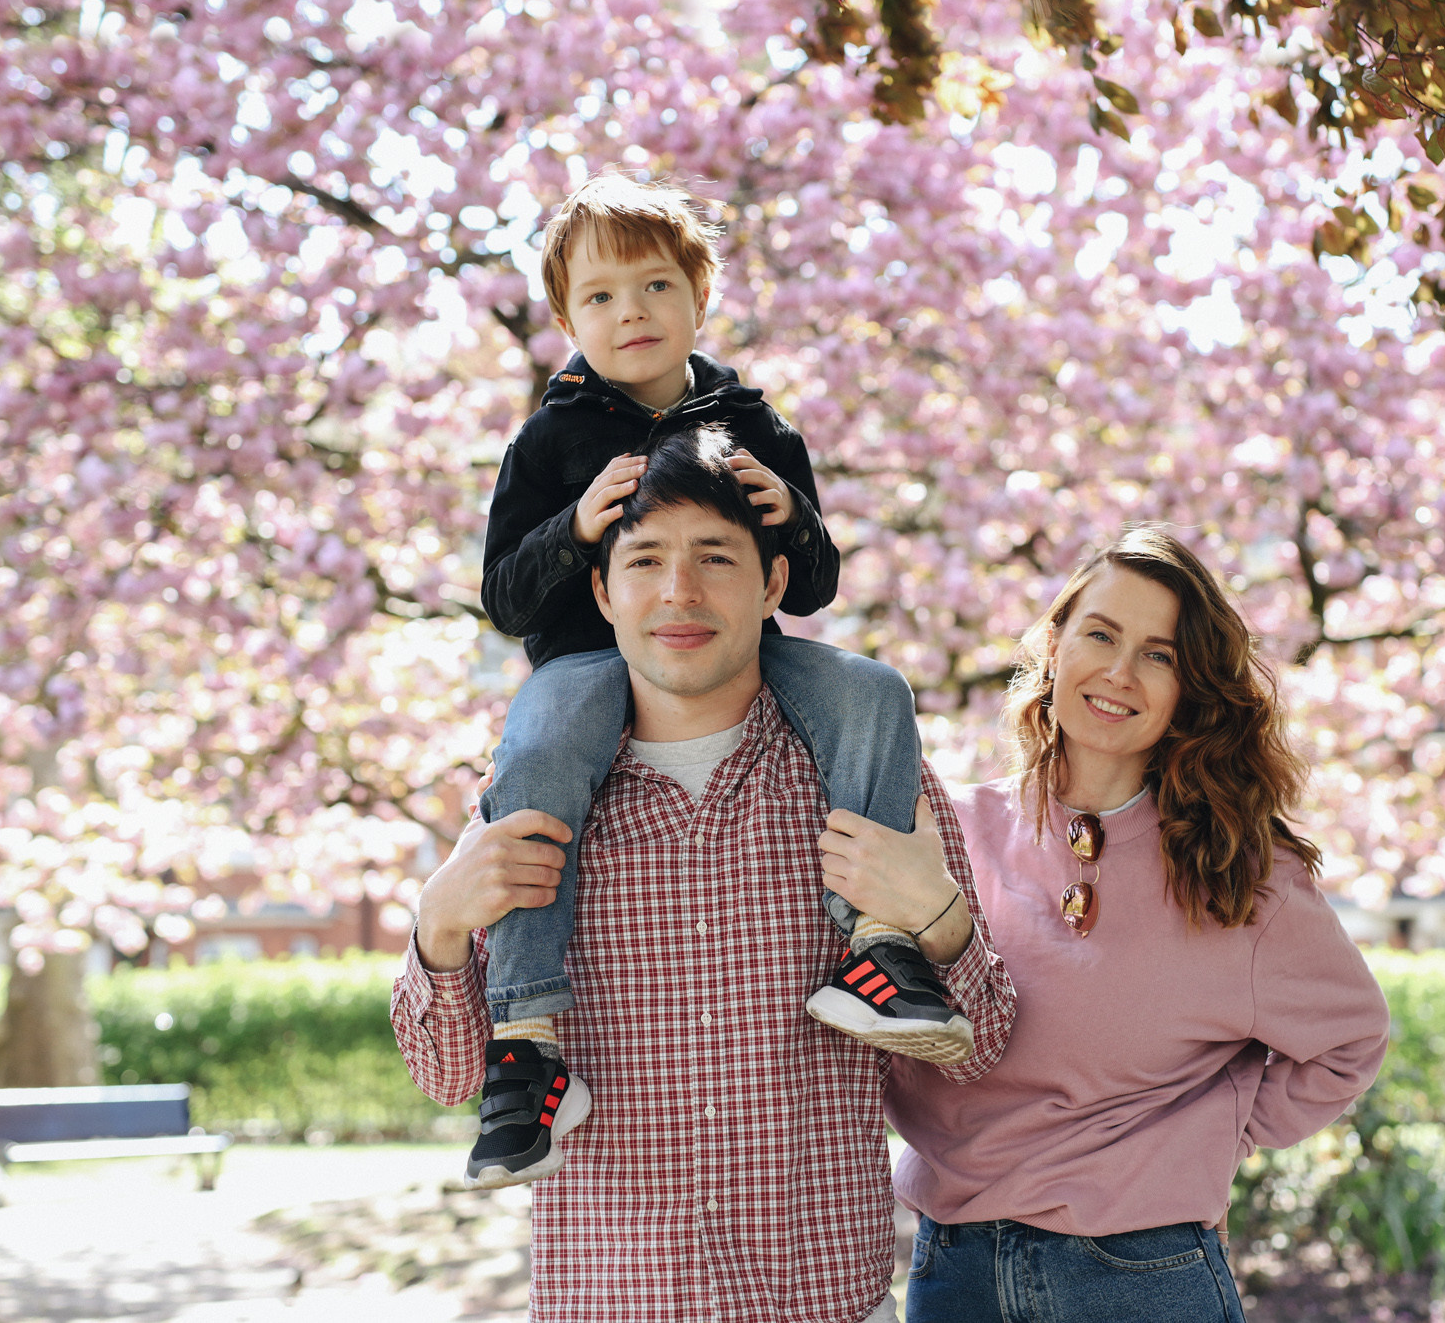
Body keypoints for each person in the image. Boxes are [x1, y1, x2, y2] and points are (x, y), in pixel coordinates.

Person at [392, 430, 1016, 1323]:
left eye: (714, 557)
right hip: (610, 1302)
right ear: (603, 592)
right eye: (645, 559)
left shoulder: (870, 779)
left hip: (824, 1302)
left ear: (770, 584)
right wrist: (440, 923)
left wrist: (941, 921)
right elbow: (451, 1076)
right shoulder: (533, 794)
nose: (678, 591)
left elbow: (980, 1050)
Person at [470, 172, 970, 1189]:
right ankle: (527, 1032)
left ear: (699, 296)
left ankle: (879, 948)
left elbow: (812, 585)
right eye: (600, 298)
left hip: (743, 640)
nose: (631, 314)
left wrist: (786, 507)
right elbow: (505, 597)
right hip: (588, 655)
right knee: (538, 739)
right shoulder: (550, 437)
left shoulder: (753, 422)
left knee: (872, 688)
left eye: (654, 286)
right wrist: (573, 528)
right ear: (566, 320)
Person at [845, 524, 1390, 1322]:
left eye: (1159, 654)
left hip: (1142, 1274)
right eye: (1100, 633)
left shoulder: (1245, 874)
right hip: (954, 1269)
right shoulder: (948, 831)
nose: (1119, 671)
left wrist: (1206, 1136)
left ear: (1189, 688)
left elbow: (1351, 1040)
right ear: (1056, 646)